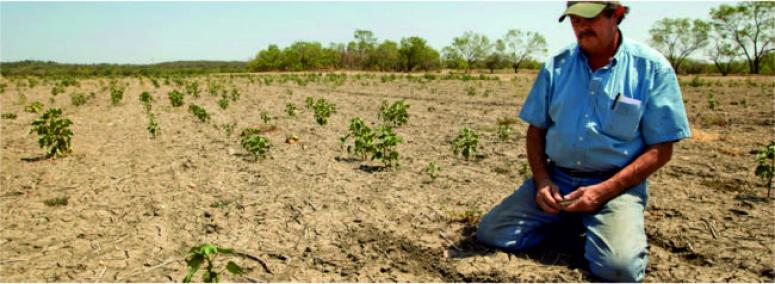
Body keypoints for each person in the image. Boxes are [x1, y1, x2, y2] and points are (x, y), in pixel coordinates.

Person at [475, 1, 691, 282]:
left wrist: (602, 192)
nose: (581, 27)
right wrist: (542, 181)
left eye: (590, 18)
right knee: (492, 232)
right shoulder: (557, 65)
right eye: (575, 20)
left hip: (615, 187)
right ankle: (571, 221)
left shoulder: (651, 68)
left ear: (617, 15)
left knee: (619, 269)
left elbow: (661, 149)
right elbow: (536, 130)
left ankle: (598, 224)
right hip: (558, 180)